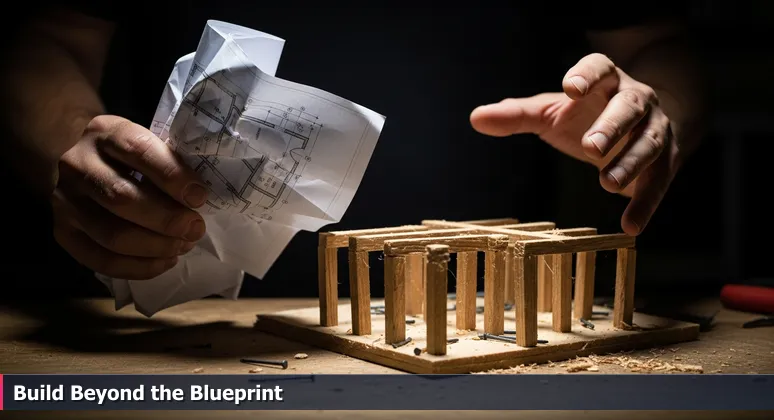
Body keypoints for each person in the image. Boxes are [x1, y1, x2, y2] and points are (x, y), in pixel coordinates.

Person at [2, 4, 706, 284]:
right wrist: (75, 149)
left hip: (483, 306)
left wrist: (642, 118)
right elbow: (49, 37)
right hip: (182, 308)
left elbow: (656, 44)